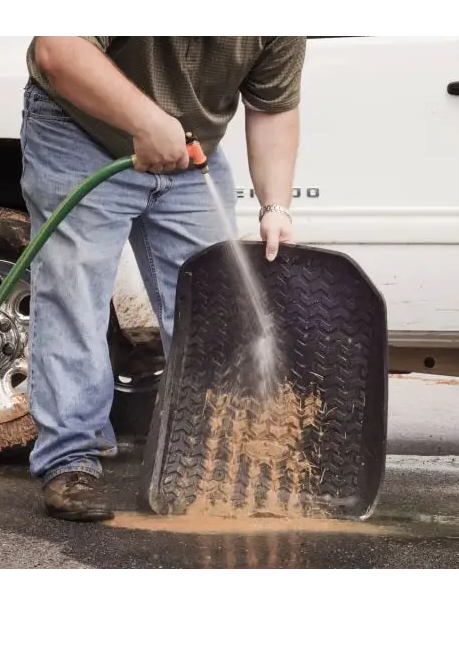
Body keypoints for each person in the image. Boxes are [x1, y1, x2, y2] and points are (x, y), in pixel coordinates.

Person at [19, 31, 307, 522]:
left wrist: (275, 205)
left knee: (213, 302)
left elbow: (273, 106)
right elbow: (58, 50)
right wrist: (147, 120)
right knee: (74, 287)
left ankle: (209, 455)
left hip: (191, 153)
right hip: (80, 129)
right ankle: (70, 460)